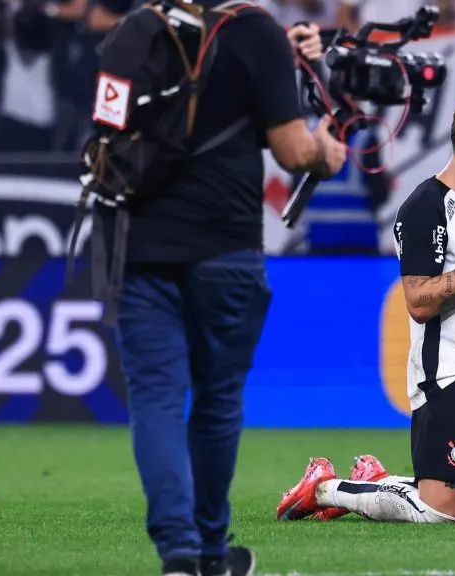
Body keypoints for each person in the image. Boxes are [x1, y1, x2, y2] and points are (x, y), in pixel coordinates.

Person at [100, 7, 347, 576]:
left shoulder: (132, 33)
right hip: (226, 249)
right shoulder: (250, 30)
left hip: (139, 249)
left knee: (157, 402)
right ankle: (211, 551)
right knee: (215, 405)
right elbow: (292, 151)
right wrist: (324, 150)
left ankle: (179, 554)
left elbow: (107, 131)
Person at [275, 93, 455, 524]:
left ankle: (391, 482)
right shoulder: (426, 208)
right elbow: (420, 303)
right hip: (449, 373)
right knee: (439, 515)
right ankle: (328, 488)